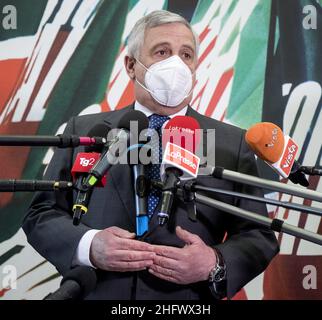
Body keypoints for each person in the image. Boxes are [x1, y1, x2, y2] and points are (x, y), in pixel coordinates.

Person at [23, 10, 279, 300]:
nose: (176, 64)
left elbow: (258, 235)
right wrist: (89, 244)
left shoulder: (230, 144)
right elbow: (40, 214)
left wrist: (214, 263)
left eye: (186, 55)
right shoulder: (84, 131)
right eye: (162, 52)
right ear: (131, 66)